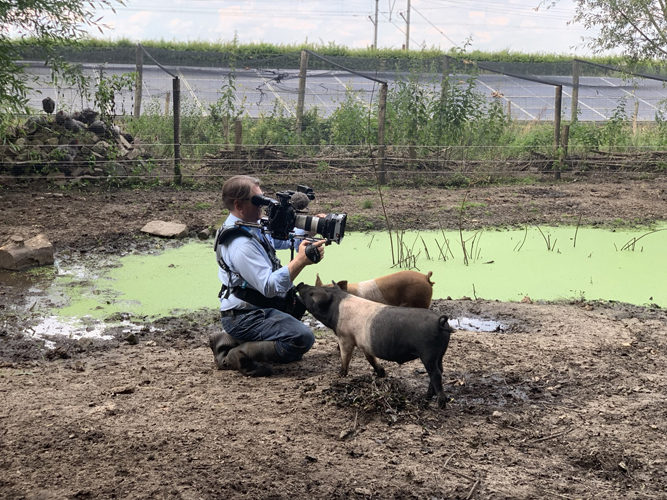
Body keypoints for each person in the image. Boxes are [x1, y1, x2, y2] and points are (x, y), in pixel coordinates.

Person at [209, 175, 326, 377]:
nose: (265, 206)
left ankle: (226, 340)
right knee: (302, 338)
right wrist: (300, 261)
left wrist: (311, 227)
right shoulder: (241, 245)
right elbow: (269, 286)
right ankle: (237, 353)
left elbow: (282, 239)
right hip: (244, 315)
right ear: (239, 205)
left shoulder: (250, 225)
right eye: (258, 201)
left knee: (295, 311)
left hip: (257, 307)